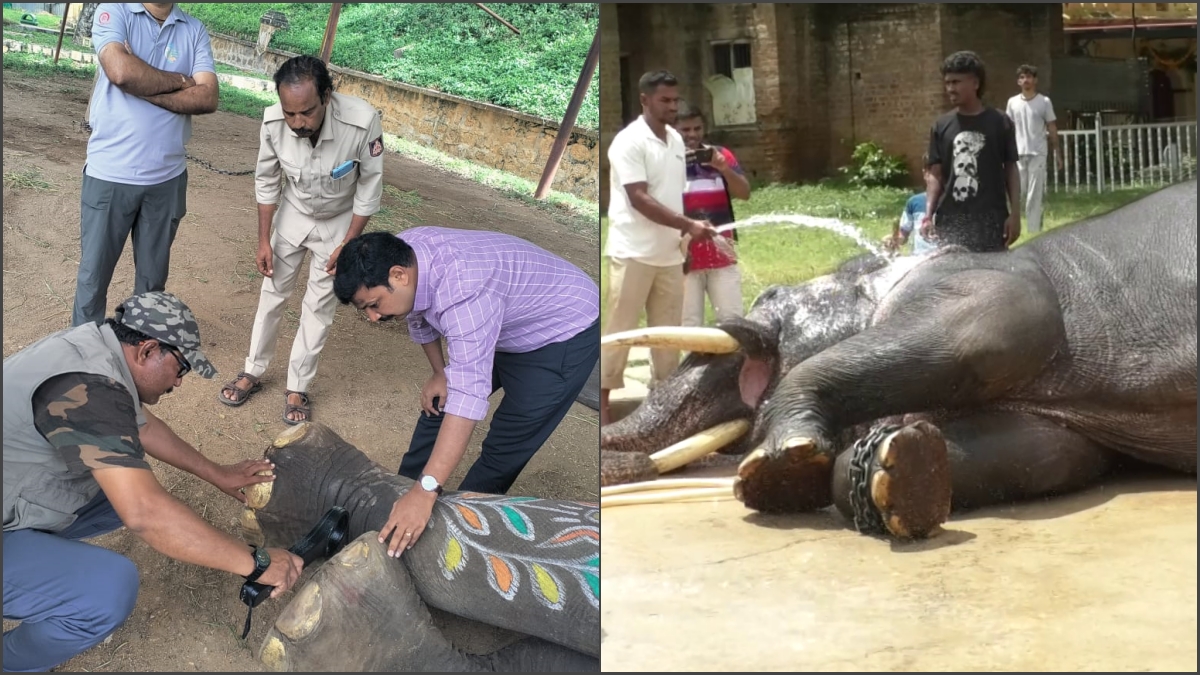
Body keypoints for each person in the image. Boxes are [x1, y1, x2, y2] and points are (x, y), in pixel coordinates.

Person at [3, 292, 304, 673]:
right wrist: (257, 563)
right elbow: (146, 514)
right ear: (147, 350)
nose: (179, 383)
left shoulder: (93, 349)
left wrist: (217, 473)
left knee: (124, 476)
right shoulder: (89, 388)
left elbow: (142, 428)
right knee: (108, 590)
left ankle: (38, 563)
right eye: (181, 369)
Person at [332, 228, 600, 558]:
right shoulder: (404, 254)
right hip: (503, 317)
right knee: (437, 405)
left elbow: (468, 398)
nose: (373, 317)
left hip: (560, 331)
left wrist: (427, 491)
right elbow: (418, 315)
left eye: (374, 305)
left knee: (505, 443)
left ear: (398, 275)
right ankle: (398, 498)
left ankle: (458, 537)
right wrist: (439, 372)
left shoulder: (464, 292)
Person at [219, 55, 384, 425]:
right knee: (272, 293)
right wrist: (264, 239)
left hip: (340, 223)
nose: (297, 123)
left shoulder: (361, 122)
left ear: (327, 95)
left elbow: (369, 189)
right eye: (290, 113)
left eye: (306, 113)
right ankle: (253, 370)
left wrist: (349, 244)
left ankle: (297, 385)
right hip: (293, 214)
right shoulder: (273, 121)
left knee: (320, 304)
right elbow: (266, 179)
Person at [72, 3, 219, 327]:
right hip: (110, 174)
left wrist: (143, 87)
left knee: (151, 287)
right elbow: (120, 72)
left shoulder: (192, 29)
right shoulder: (114, 10)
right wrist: (181, 81)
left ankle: (139, 357)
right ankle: (84, 363)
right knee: (92, 282)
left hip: (166, 180)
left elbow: (207, 97)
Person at [601, 70, 718, 426]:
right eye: (664, 100)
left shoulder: (675, 141)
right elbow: (639, 198)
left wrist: (690, 228)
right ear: (644, 100)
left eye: (674, 100)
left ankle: (663, 404)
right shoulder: (628, 142)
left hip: (669, 253)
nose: (671, 106)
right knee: (620, 330)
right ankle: (603, 407)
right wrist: (687, 226)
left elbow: (673, 195)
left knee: (667, 333)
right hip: (632, 251)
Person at [922, 51, 1021, 253]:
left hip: (991, 220)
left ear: (975, 83)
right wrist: (928, 215)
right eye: (947, 83)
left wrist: (1015, 214)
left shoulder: (1000, 122)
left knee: (991, 279)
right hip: (951, 220)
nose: (950, 89)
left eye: (956, 82)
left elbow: (1011, 169)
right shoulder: (941, 126)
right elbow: (935, 175)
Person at [674, 103, 752, 327]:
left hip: (721, 253)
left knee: (733, 322)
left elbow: (744, 193)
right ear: (674, 130)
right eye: (685, 130)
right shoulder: (665, 159)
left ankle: (733, 363)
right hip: (683, 256)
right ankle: (690, 363)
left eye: (697, 129)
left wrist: (724, 168)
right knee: (688, 325)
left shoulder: (721, 155)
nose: (692, 135)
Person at [1005, 64, 1062, 235]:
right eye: (1022, 77)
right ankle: (1016, 225)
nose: (1025, 81)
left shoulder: (1044, 102)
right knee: (1019, 193)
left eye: (1029, 77)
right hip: (1018, 154)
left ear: (1035, 80)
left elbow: (1052, 127)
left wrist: (1057, 153)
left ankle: (1033, 230)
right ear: (1018, 81)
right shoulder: (1013, 102)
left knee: (1034, 194)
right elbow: (1008, 128)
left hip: (1038, 152)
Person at [884, 156, 940, 256]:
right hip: (919, 259)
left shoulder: (953, 203)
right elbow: (903, 235)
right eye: (935, 175)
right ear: (925, 174)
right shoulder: (914, 202)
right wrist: (895, 239)